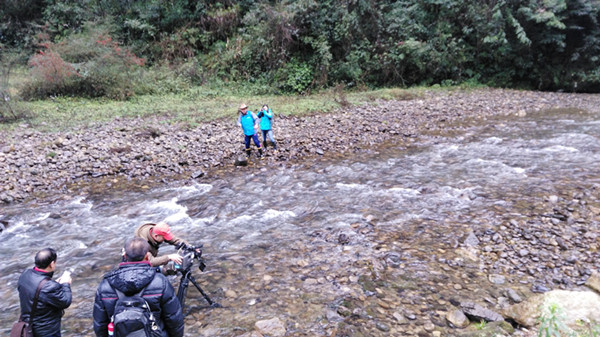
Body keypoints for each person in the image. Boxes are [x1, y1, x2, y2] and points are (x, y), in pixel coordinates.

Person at [93, 237, 184, 337]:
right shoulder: (160, 282)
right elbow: (174, 319)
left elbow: (100, 325)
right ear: (147, 256)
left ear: (124, 255)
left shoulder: (105, 285)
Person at [17, 248, 72, 337]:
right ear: (52, 264)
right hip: (46, 331)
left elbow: (38, 291)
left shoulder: (25, 274)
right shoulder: (49, 287)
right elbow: (65, 301)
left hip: (27, 327)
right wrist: (65, 284)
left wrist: (55, 284)